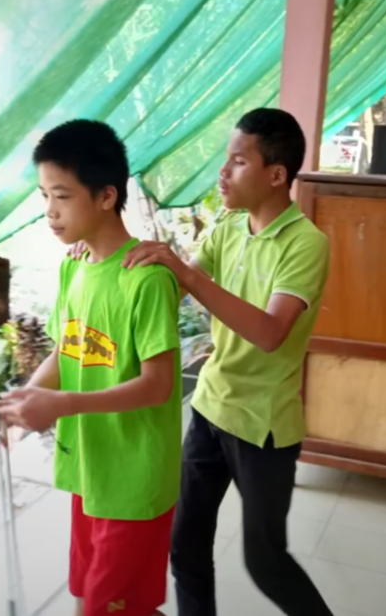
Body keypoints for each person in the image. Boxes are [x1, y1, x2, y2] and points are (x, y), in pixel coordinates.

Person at [121, 108, 333, 615]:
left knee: (266, 562)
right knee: (186, 546)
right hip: (211, 407)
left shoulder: (307, 244)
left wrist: (188, 276)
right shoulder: (229, 227)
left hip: (262, 426)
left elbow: (269, 332)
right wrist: (115, 258)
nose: (223, 173)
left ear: (276, 174)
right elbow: (173, 286)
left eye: (238, 161)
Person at [0, 120, 183, 616]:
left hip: (134, 478)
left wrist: (64, 403)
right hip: (92, 468)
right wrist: (21, 400)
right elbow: (67, 350)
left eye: (62, 196)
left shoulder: (147, 280)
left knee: (104, 607)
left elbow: (160, 386)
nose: (50, 213)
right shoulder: (74, 266)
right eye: (44, 197)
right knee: (93, 598)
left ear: (105, 196)